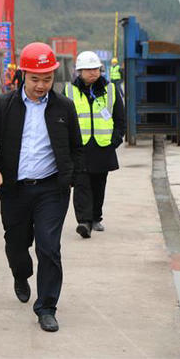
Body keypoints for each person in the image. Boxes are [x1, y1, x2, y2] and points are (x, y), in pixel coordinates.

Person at [0, 42, 82, 333]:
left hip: (52, 189)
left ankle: (46, 307)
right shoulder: (5, 104)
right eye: (35, 79)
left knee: (48, 247)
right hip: (14, 189)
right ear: (23, 74)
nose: (41, 85)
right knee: (17, 243)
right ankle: (20, 273)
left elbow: (76, 147)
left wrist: (71, 177)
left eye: (47, 79)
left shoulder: (64, 107)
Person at [64, 51, 125, 238]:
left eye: (96, 69)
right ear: (79, 71)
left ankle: (96, 217)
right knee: (81, 184)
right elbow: (62, 120)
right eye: (88, 69)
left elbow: (120, 118)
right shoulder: (69, 91)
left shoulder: (110, 90)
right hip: (80, 148)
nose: (93, 73)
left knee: (99, 184)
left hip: (103, 146)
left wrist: (115, 140)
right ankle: (84, 222)